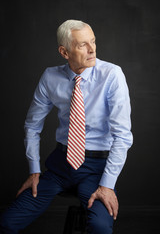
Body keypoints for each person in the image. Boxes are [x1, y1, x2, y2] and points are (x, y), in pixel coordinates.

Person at [0, 19, 133, 234]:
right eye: (82, 45)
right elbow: (32, 125)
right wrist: (34, 171)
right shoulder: (50, 77)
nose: (92, 50)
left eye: (93, 41)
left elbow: (122, 136)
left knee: (100, 228)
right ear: (64, 52)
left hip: (97, 168)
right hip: (60, 166)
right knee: (7, 222)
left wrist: (107, 185)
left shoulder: (112, 75)